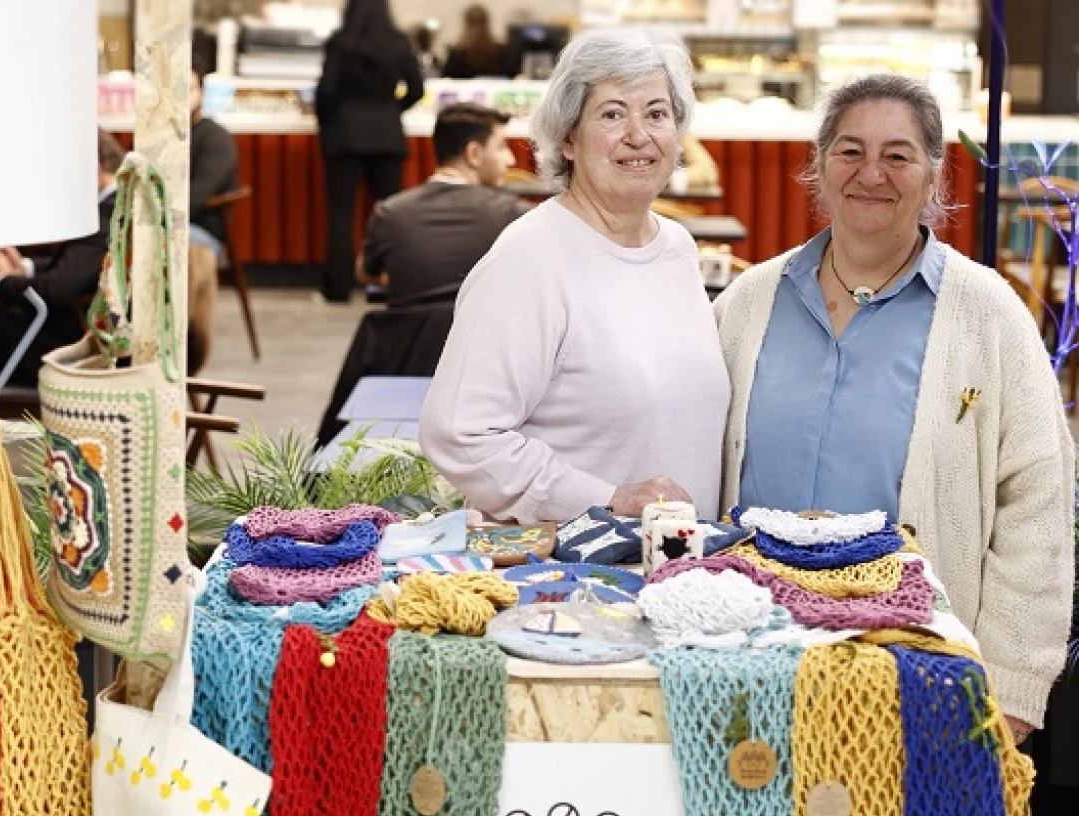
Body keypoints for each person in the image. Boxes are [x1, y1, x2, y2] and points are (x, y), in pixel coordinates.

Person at [714, 73, 1075, 739]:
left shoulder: (986, 313)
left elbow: (1037, 503)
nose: (870, 173)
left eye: (898, 155)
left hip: (920, 677)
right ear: (818, 167)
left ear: (933, 176)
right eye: (849, 151)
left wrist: (1013, 684)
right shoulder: (747, 302)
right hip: (745, 661)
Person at [419, 29, 730, 524]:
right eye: (612, 114)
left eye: (656, 113)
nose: (638, 135)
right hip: (580, 581)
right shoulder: (529, 259)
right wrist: (606, 499)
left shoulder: (676, 248)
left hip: (681, 570)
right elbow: (460, 433)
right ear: (568, 137)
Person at [0, 131, 124, 386]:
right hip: (86, 330)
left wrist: (2, 280)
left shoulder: (107, 215)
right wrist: (23, 268)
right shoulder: (112, 206)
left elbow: (58, 289)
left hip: (76, 347)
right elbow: (78, 268)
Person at [356, 103, 525, 306]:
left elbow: (366, 273)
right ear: (474, 154)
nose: (511, 159)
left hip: (406, 335)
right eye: (501, 147)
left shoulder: (390, 213)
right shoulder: (514, 215)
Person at [316, 0, 424, 302]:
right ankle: (385, 286)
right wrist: (390, 110)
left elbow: (326, 90)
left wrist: (331, 118)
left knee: (341, 215)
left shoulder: (340, 43)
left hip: (344, 136)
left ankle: (338, 288)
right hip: (387, 136)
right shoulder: (398, 41)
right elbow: (416, 88)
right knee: (389, 214)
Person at [188, 65, 239, 373]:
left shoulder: (215, 138)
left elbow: (197, 195)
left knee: (175, 251)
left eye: (189, 89)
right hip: (159, 226)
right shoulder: (154, 137)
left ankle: (183, 347)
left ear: (201, 94)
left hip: (202, 232)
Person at [441, 4, 507, 79]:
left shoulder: (457, 52)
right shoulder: (499, 51)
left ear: (466, 23)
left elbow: (446, 78)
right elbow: (511, 76)